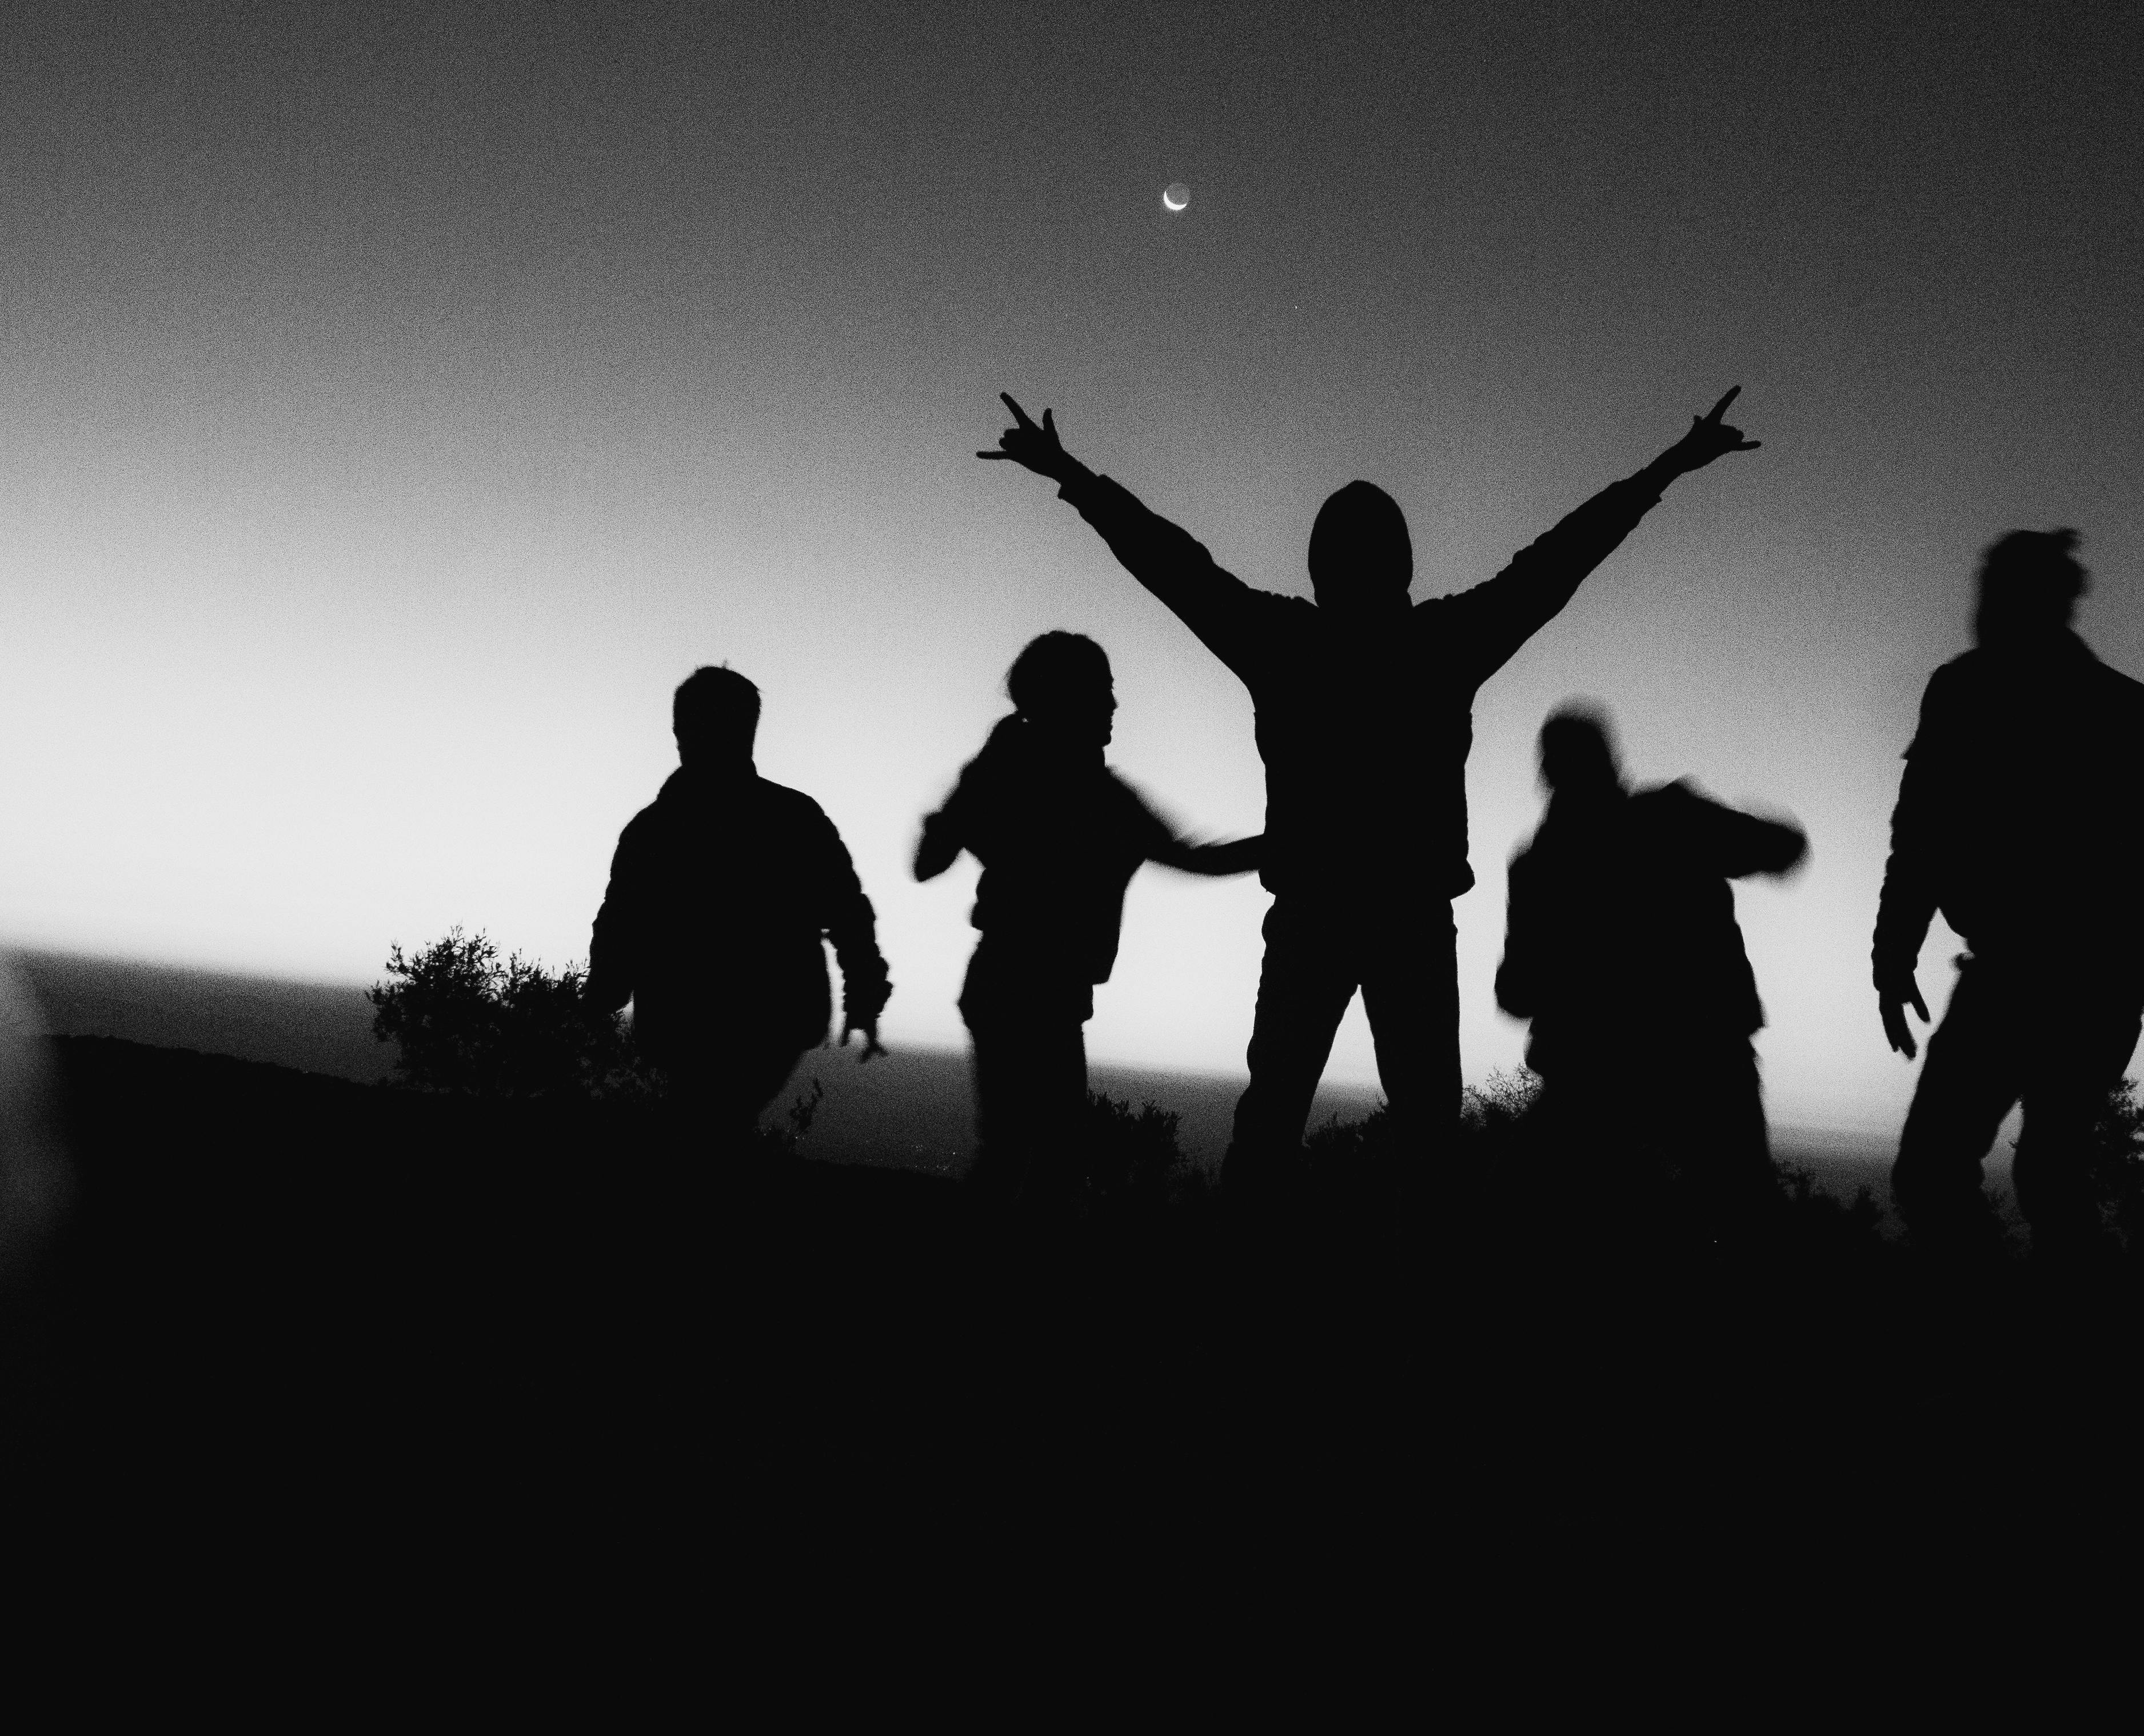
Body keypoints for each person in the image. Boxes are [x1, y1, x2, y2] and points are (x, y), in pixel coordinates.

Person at [979, 388, 1761, 1184]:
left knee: (1283, 1120)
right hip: (1404, 920)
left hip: (1326, 917)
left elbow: (1170, 563)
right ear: (1403, 565)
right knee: (1412, 1131)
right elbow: (1560, 560)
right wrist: (1669, 465)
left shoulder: (1287, 643)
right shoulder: (1438, 644)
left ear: (1320, 566)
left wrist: (1071, 475)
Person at [1872, 530, 2144, 1256]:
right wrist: (1892, 956)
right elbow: (1921, 835)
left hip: (2073, 982)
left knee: (2029, 1177)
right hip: (2020, 975)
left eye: (1995, 591)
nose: (1980, 607)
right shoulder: (1964, 691)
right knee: (1985, 1177)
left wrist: (2124, 967)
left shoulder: (2124, 711)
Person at [915, 632, 1260, 1198]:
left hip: (1023, 989)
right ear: (1067, 697)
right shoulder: (1082, 792)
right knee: (1035, 1159)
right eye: (1103, 691)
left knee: (1023, 1155)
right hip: (1023, 989)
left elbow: (929, 861)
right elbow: (1196, 859)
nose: (1114, 705)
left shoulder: (1046, 780)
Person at [1496, 705, 1807, 1243]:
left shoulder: (1538, 865)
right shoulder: (1669, 819)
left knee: (1539, 1226)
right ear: (1612, 763)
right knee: (1746, 1227)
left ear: (1546, 774)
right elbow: (1784, 848)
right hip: (1697, 1060)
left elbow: (1516, 993)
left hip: (1599, 1073)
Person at [588, 665, 889, 1139]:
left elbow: (620, 921)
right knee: (715, 1124)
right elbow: (849, 912)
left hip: (690, 1018)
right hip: (772, 1018)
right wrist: (865, 996)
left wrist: (602, 993)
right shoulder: (794, 818)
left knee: (702, 1124)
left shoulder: (654, 828)